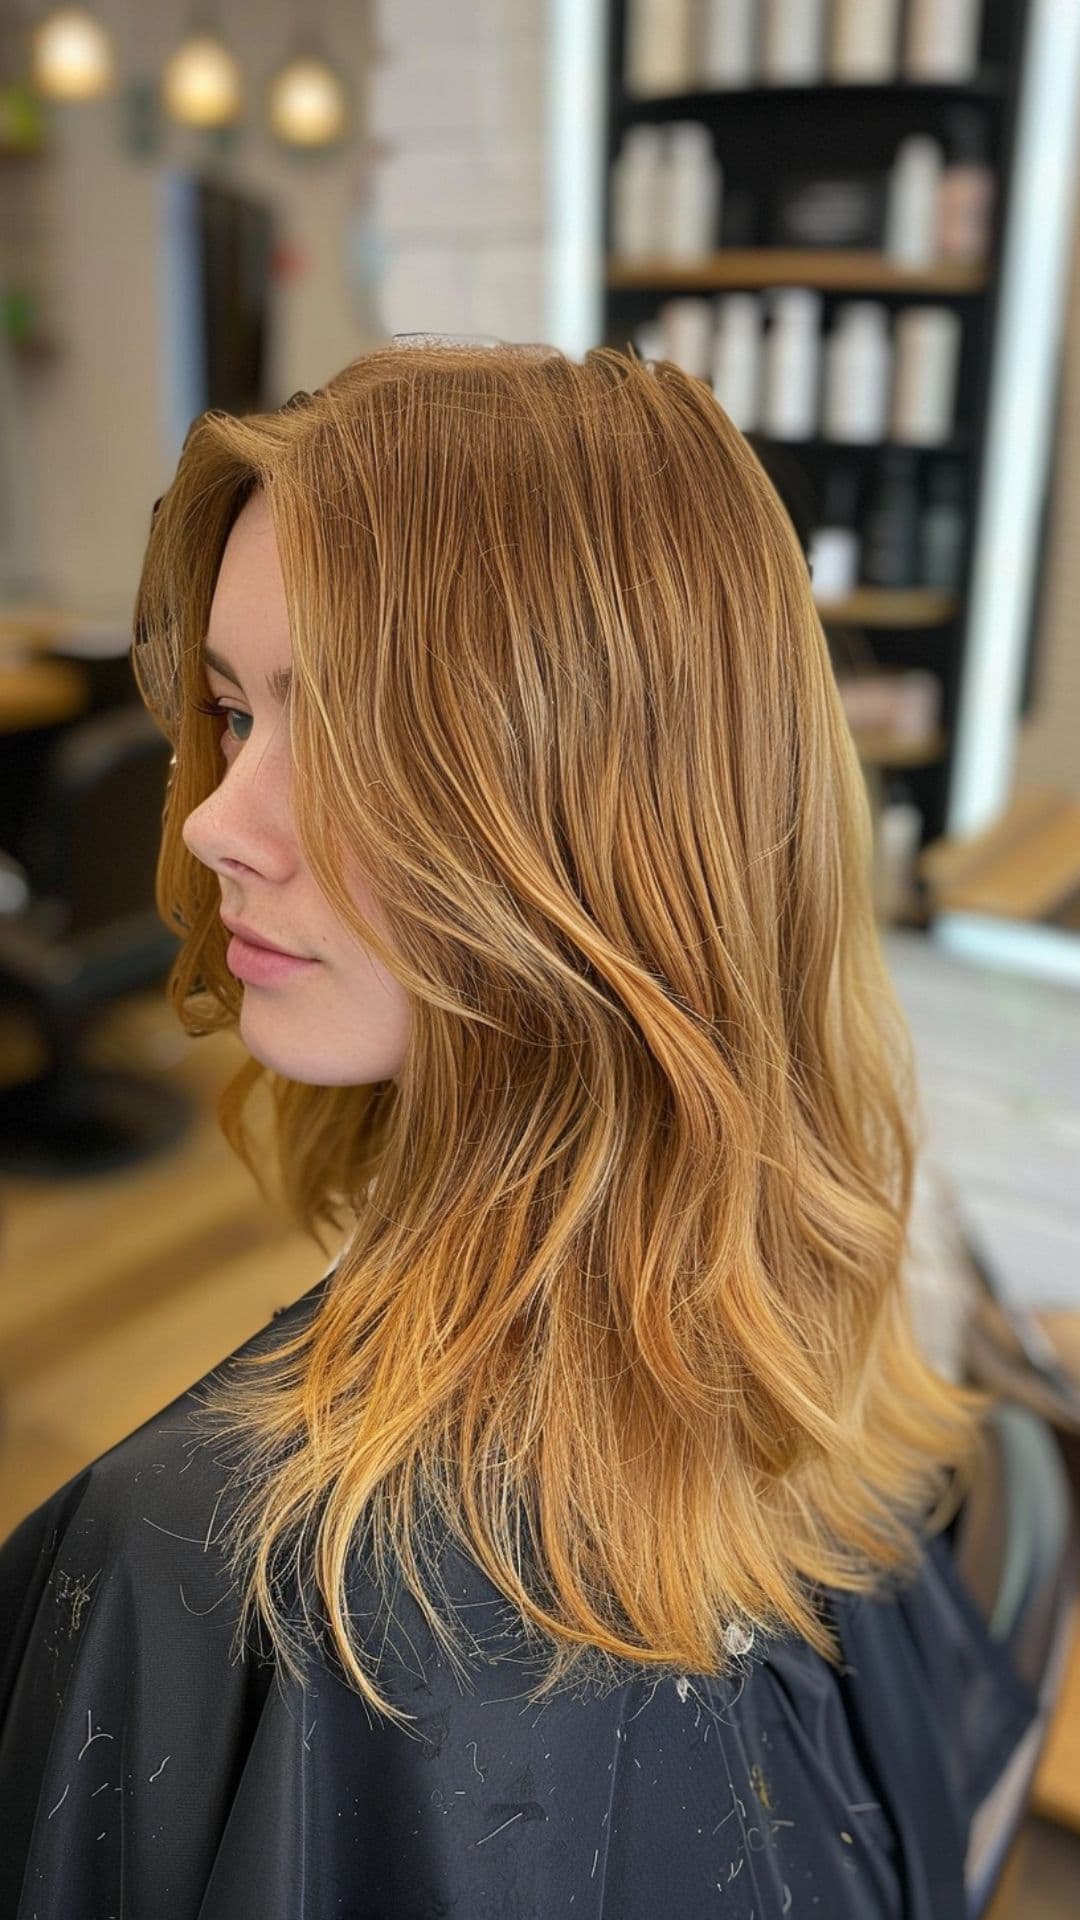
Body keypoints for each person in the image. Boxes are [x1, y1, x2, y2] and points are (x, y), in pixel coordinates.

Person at [0, 339, 1036, 1918]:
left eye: (340, 730)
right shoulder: (815, 1303)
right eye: (229, 712)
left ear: (593, 815)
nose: (212, 815)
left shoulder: (220, 1559)